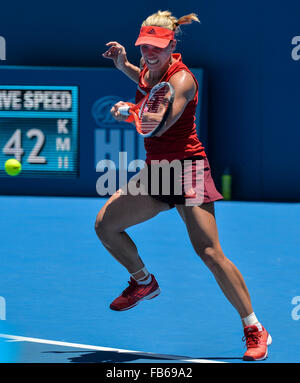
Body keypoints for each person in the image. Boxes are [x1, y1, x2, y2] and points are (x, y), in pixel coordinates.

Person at [97, 10, 271, 361]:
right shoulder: (150, 67)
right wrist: (123, 65)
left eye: (157, 47)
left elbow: (157, 124)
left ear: (172, 45)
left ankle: (254, 327)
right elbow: (146, 81)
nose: (149, 52)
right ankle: (143, 282)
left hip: (187, 171)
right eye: (144, 46)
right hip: (157, 171)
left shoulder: (183, 81)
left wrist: (129, 111)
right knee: (106, 225)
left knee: (208, 252)